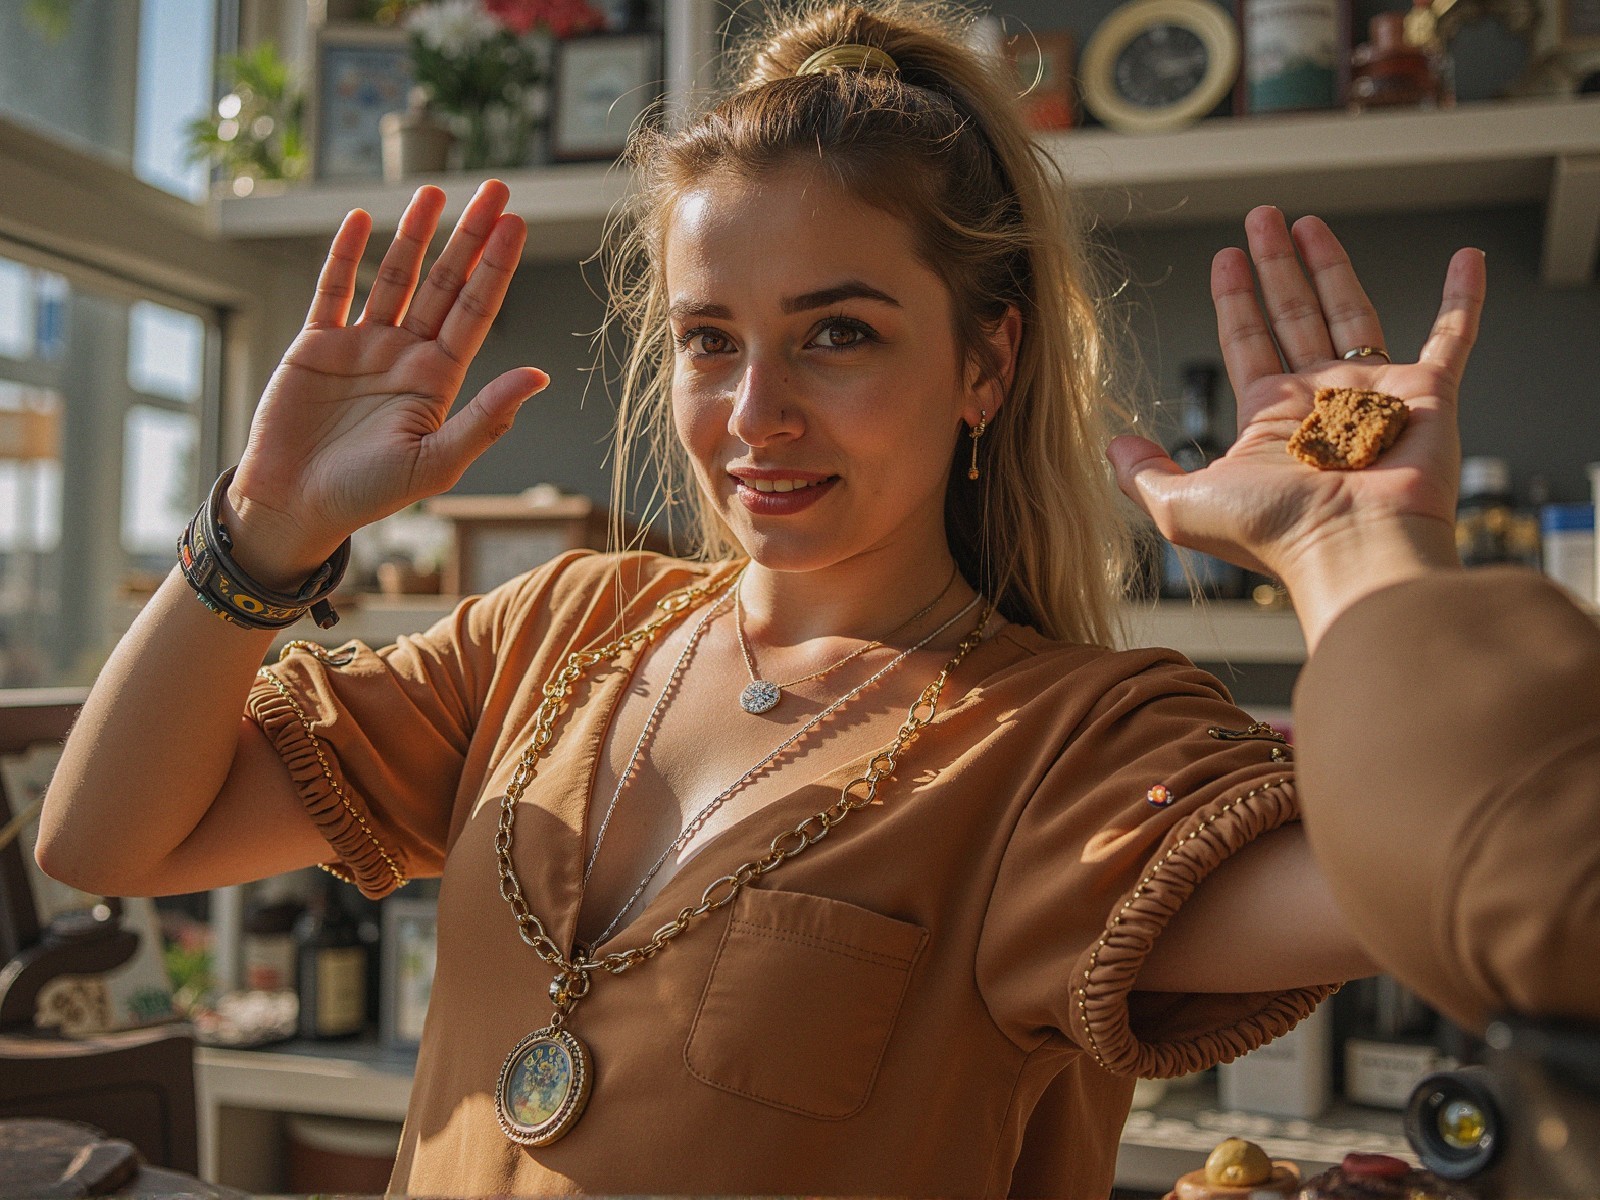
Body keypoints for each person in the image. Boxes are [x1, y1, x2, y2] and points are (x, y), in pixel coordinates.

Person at [35, 0, 1565, 1194]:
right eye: (712, 339)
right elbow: (109, 837)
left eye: (835, 335)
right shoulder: (561, 630)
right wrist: (262, 531)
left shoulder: (1068, 747)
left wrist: (1354, 547)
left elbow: (1489, 916)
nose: (753, 412)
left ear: (986, 363)